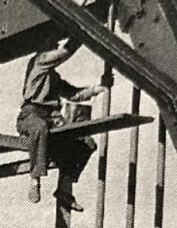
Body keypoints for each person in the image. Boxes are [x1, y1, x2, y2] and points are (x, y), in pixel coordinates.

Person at [16, 36, 108, 208]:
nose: (55, 47)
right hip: (30, 116)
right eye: (53, 45)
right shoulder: (39, 61)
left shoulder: (53, 77)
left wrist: (97, 89)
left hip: (51, 119)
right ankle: (35, 180)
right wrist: (80, 34)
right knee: (40, 128)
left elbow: (74, 94)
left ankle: (64, 188)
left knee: (86, 142)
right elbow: (63, 54)